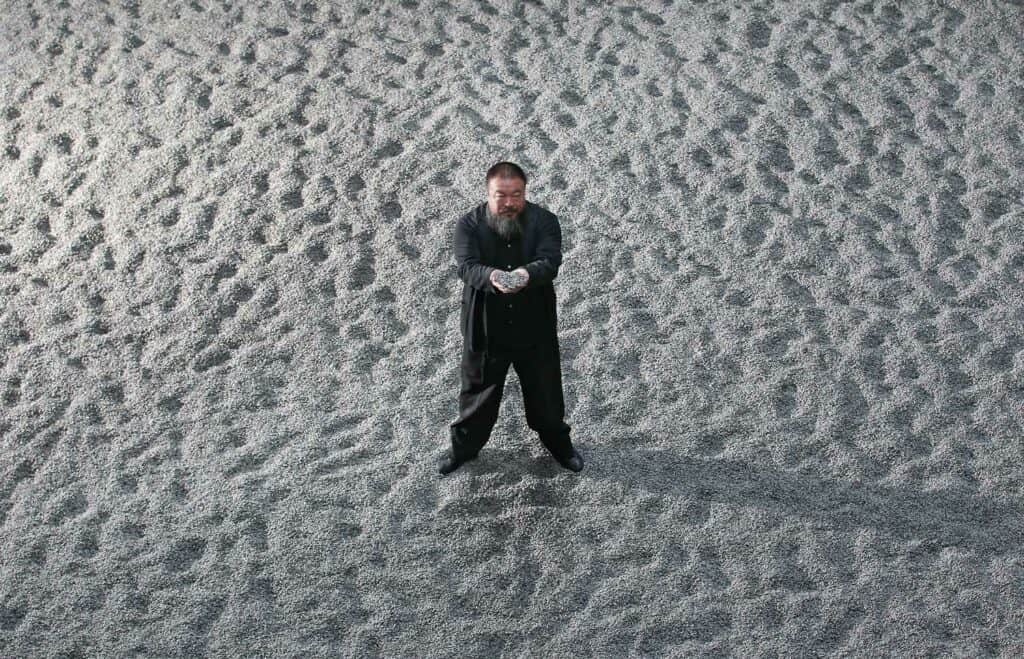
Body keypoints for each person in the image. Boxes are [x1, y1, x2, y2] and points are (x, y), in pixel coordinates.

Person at [441, 161, 584, 476]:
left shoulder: (545, 221)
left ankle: (560, 447)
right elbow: (466, 266)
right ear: (488, 192)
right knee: (476, 396)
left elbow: (550, 261)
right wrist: (493, 276)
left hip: (534, 326)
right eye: (500, 195)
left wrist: (524, 274)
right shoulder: (468, 225)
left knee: (546, 394)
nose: (508, 203)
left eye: (516, 194)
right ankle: (463, 450)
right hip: (485, 327)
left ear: (525, 191)